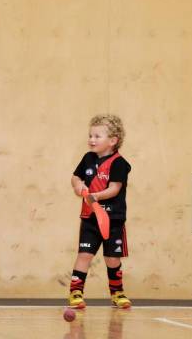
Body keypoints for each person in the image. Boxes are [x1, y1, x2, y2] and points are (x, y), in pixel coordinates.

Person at [68, 114, 132, 309]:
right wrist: (78, 186)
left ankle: (117, 293)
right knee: (84, 255)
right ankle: (76, 293)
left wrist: (95, 196)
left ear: (113, 141)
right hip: (90, 218)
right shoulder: (87, 159)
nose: (91, 140)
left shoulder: (120, 163)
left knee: (112, 258)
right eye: (90, 135)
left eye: (97, 136)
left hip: (113, 220)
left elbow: (114, 189)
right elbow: (75, 178)